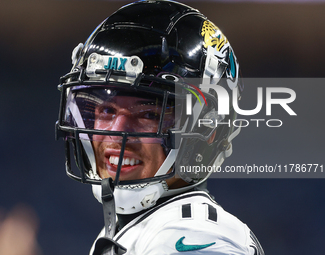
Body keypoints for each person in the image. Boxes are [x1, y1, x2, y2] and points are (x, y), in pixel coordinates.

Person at [55, 0, 265, 254]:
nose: (118, 133)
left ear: (207, 131)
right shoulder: (142, 229)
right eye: (107, 110)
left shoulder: (193, 237)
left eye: (147, 114)